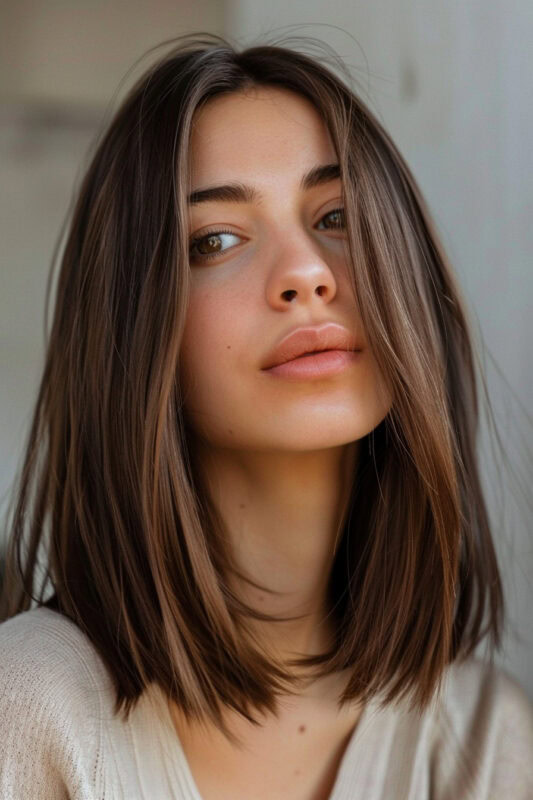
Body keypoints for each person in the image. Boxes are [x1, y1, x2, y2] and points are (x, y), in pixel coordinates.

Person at [0, 32, 532, 800]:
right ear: (131, 327)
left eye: (337, 216)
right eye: (214, 240)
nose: (306, 274)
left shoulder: (483, 746)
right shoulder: (29, 712)